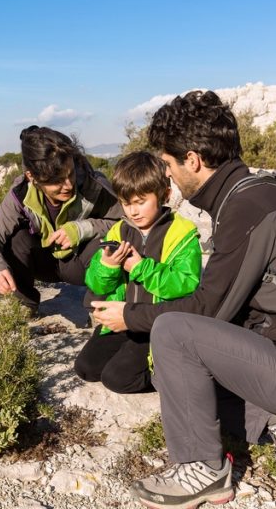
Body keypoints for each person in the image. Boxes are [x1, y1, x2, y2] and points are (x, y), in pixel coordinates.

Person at [91, 91, 276, 508]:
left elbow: (206, 310)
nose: (166, 177)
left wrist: (131, 315)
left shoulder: (247, 207)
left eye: (167, 165)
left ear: (193, 160)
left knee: (173, 332)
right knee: (178, 383)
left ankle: (202, 470)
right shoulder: (257, 190)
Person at [74, 151, 201, 393]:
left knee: (118, 379)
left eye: (140, 201)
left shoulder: (183, 234)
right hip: (121, 322)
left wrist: (141, 268)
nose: (133, 211)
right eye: (126, 202)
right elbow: (96, 284)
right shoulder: (117, 231)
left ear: (164, 194)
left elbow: (186, 284)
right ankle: (130, 356)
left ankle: (169, 369)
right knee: (86, 368)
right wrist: (107, 267)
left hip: (156, 327)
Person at [0, 125, 123, 315]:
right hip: (44, 264)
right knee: (16, 239)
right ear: (32, 177)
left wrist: (82, 229)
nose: (68, 185)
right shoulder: (21, 194)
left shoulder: (92, 185)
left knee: (106, 244)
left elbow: (125, 222)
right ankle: (25, 306)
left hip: (81, 263)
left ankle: (99, 309)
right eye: (57, 181)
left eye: (70, 173)